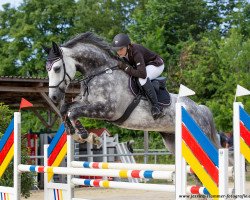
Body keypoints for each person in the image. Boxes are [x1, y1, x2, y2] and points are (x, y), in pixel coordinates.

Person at [111, 33, 165, 120]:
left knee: (141, 80)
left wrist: (125, 67)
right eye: (117, 50)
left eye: (121, 49)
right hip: (144, 66)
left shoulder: (136, 51)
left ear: (128, 46)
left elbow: (142, 74)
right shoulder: (122, 54)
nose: (119, 52)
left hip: (156, 65)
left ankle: (157, 108)